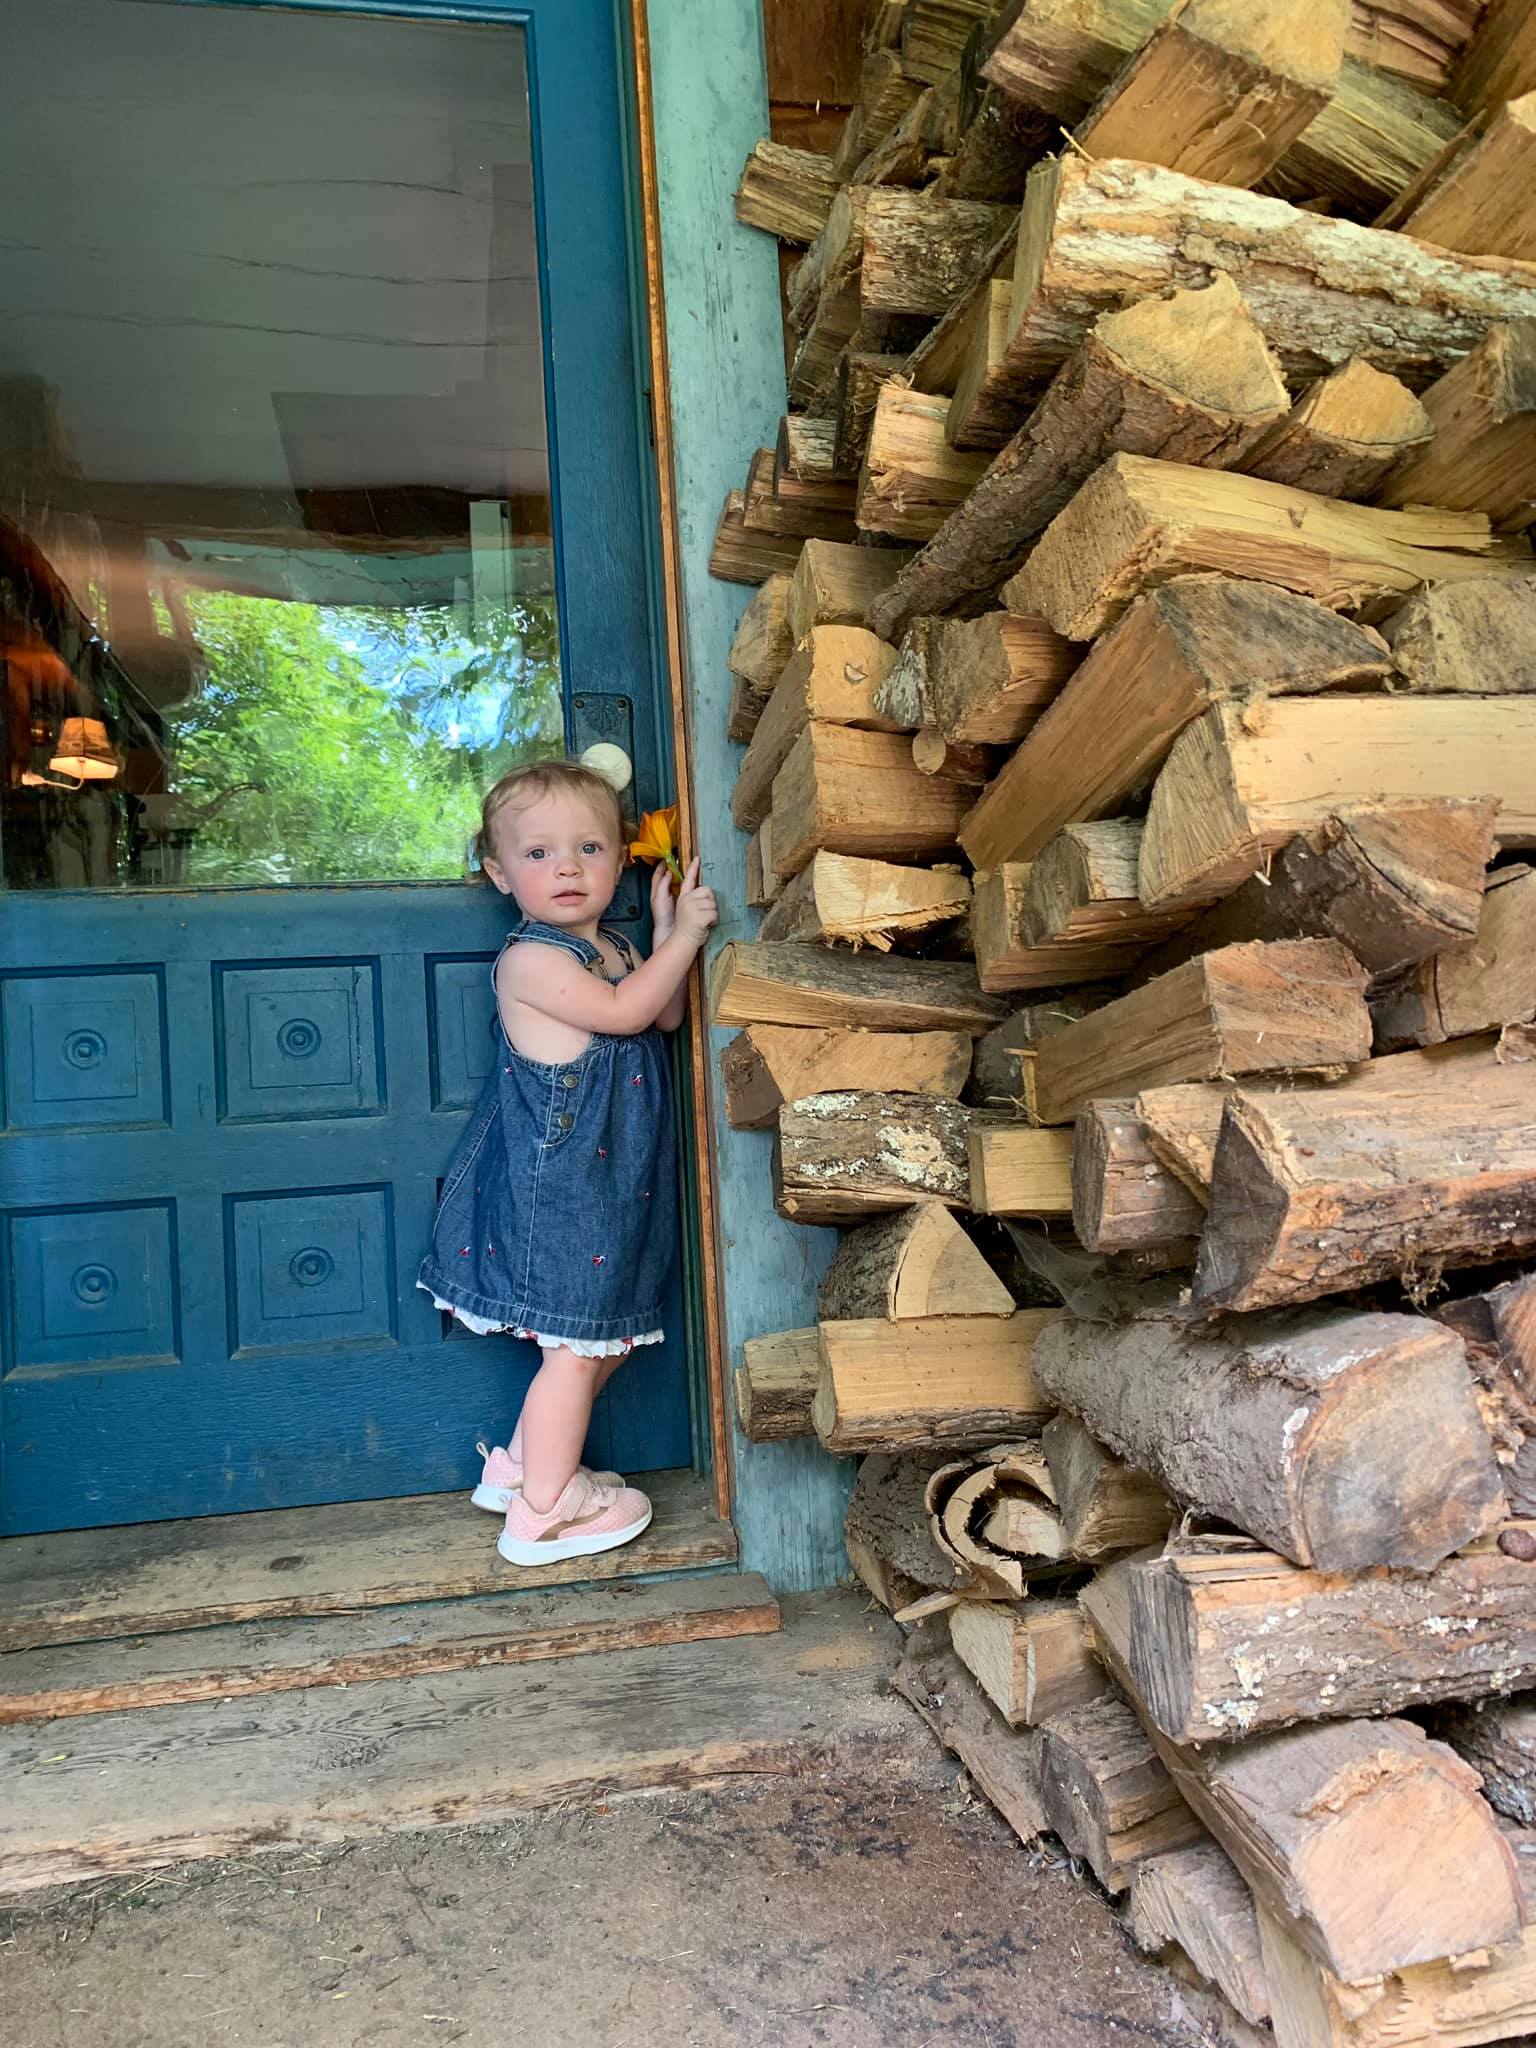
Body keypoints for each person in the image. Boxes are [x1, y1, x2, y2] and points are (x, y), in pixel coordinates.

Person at [418, 758, 716, 1566]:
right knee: (574, 1349)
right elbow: (624, 1012)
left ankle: (519, 1469)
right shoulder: (532, 961)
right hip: (560, 1192)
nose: (568, 869)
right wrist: (688, 938)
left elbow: (663, 1014)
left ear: (619, 860)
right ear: (500, 874)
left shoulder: (614, 946)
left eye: (589, 848)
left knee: (602, 1340)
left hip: (613, 1185)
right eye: (539, 853)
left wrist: (664, 933)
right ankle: (544, 1514)